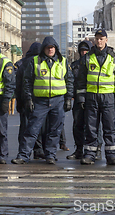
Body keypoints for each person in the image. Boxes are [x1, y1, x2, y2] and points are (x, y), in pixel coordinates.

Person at [11, 36, 73, 164]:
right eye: (47, 47)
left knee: (55, 130)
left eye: (52, 47)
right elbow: (27, 81)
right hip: (40, 101)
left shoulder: (63, 62)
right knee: (32, 129)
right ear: (43, 49)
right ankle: (23, 155)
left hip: (58, 100)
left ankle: (50, 155)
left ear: (55, 48)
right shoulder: (35, 61)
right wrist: (28, 98)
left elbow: (70, 81)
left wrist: (68, 99)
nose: (50, 50)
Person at [77, 28, 115, 165]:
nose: (99, 41)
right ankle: (90, 155)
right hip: (92, 97)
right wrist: (81, 98)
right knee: (91, 128)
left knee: (109, 128)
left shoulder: (114, 57)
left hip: (108, 97)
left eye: (101, 38)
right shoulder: (87, 57)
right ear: (94, 40)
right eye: (97, 38)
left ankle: (111, 156)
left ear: (106, 40)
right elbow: (81, 80)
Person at [15, 42, 45, 160]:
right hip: (39, 99)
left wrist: (19, 101)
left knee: (25, 127)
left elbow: (18, 85)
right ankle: (38, 150)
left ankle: (23, 151)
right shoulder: (40, 62)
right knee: (38, 127)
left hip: (24, 100)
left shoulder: (22, 64)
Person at [67, 40, 93, 160]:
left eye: (86, 50)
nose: (84, 52)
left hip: (92, 98)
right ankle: (79, 149)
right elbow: (71, 81)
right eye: (82, 50)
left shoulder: (94, 63)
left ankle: (95, 149)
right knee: (78, 125)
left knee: (93, 126)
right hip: (78, 99)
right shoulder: (74, 65)